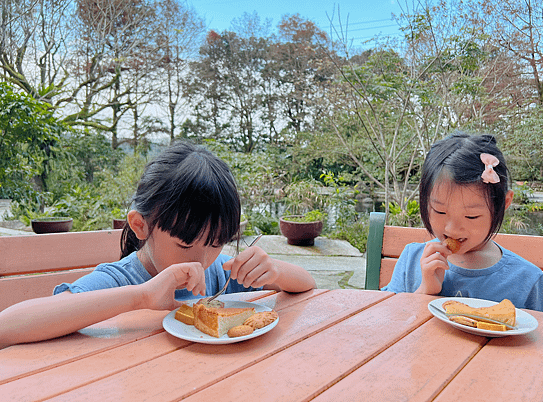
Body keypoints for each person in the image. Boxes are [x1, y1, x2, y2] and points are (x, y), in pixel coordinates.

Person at [0, 141, 316, 348]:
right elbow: (8, 326)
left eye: (217, 243)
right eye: (184, 244)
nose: (202, 261)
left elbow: (306, 283)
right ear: (141, 225)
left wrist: (273, 271)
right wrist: (144, 296)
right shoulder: (121, 280)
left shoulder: (220, 274)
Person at [382, 132, 543, 316]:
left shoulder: (525, 279)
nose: (451, 229)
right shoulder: (412, 260)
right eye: (439, 211)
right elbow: (387, 325)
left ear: (503, 204)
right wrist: (424, 291)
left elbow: (542, 353)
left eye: (471, 217)